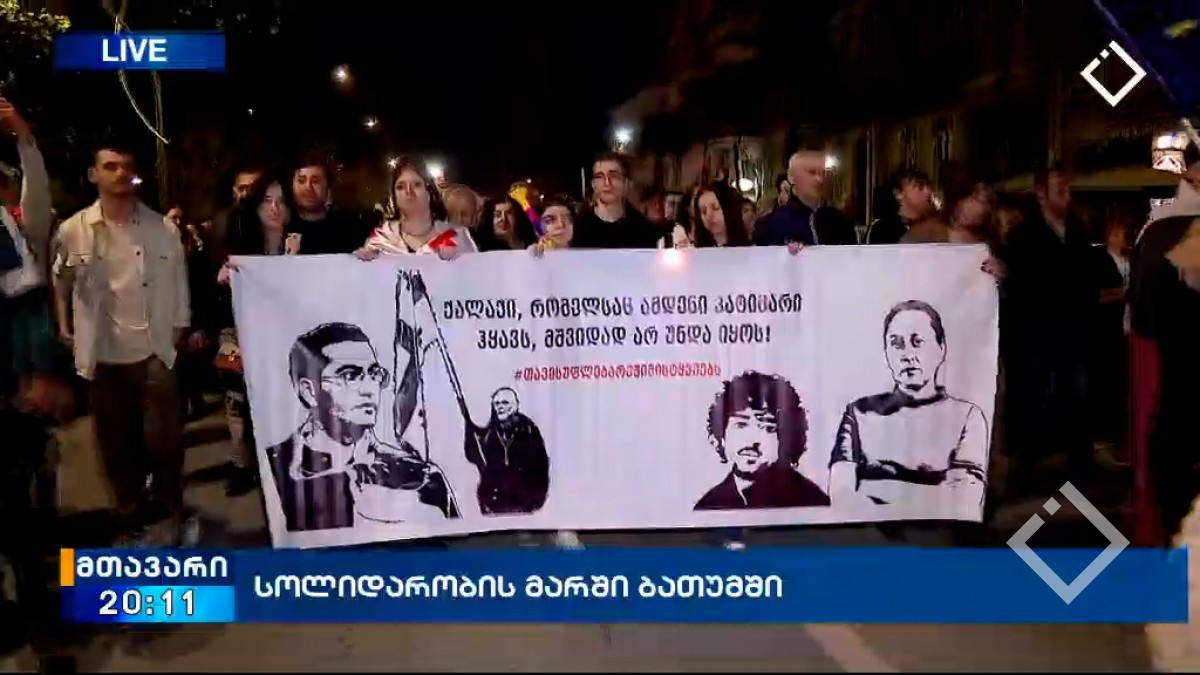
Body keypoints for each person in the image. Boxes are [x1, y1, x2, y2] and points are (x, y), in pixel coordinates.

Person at [51, 137, 192, 546]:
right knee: (116, 450)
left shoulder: (163, 229)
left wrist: (178, 331)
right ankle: (130, 518)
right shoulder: (73, 230)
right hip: (103, 357)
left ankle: (169, 521)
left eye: (126, 166)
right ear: (94, 174)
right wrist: (64, 326)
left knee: (165, 447)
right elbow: (60, 280)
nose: (119, 174)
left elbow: (180, 286)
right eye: (110, 166)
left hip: (155, 353)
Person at [265, 322, 457, 532]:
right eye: (349, 376)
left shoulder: (420, 477)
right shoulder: (275, 468)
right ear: (309, 392)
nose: (369, 389)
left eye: (374, 374)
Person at [829, 300, 988, 510]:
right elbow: (840, 495)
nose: (907, 355)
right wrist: (932, 492)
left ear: (941, 349)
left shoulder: (967, 416)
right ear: (886, 352)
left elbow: (964, 500)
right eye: (896, 344)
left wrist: (870, 485)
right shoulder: (859, 413)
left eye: (917, 342)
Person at [215, 176, 299, 496]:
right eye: (267, 201)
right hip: (240, 341)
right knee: (238, 404)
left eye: (281, 201)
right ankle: (243, 464)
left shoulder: (300, 246)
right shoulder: (239, 251)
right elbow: (219, 299)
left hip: (283, 346)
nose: (275, 208)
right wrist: (224, 279)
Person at [695, 370, 830, 511]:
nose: (751, 440)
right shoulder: (708, 505)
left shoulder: (812, 501)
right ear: (721, 435)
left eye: (767, 428)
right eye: (741, 425)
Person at [356, 158, 477, 259]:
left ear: (430, 192)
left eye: (416, 185)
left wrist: (458, 264)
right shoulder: (380, 241)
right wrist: (364, 266)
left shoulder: (457, 237)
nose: (408, 191)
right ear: (394, 196)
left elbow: (476, 276)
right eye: (400, 187)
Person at [752, 151, 857, 246]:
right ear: (792, 177)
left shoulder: (841, 224)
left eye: (824, 173)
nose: (819, 179)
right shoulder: (770, 225)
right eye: (811, 172)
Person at [573, 152, 662, 249]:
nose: (607, 183)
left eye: (613, 176)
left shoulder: (644, 229)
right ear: (593, 184)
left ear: (627, 183)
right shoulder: (578, 227)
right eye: (599, 177)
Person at [286, 154, 370, 255]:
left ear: (328, 186)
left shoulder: (347, 228)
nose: (308, 187)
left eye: (315, 181)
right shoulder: (282, 224)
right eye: (301, 181)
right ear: (292, 185)